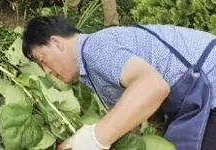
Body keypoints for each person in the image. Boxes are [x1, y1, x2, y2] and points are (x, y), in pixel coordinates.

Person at [22, 16, 216, 150]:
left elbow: (153, 86)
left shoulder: (95, 48)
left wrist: (96, 137)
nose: (46, 71)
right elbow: (131, 123)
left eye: (42, 60)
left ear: (56, 43)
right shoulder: (91, 73)